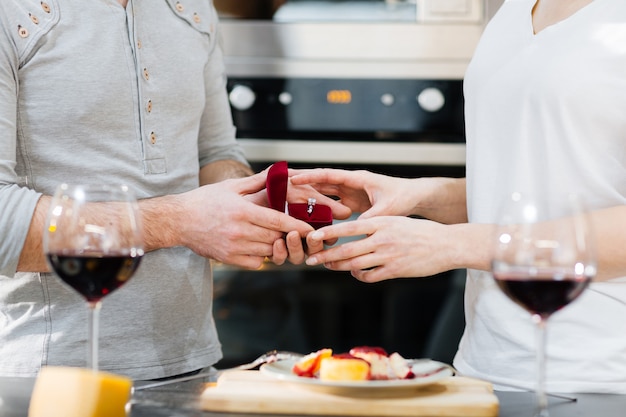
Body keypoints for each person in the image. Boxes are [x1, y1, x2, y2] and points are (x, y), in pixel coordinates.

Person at [0, 0, 349, 380]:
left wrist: (256, 202)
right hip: (42, 378)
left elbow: (215, 153)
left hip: (192, 365)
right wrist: (178, 222)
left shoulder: (194, 8)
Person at [292, 0, 626, 394]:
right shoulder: (515, 9)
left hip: (602, 378)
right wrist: (420, 196)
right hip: (484, 371)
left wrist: (453, 245)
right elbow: (527, 190)